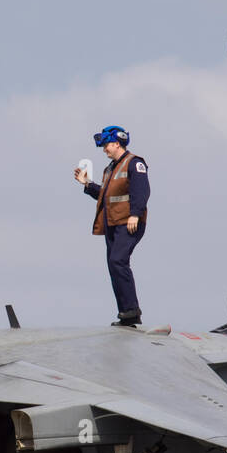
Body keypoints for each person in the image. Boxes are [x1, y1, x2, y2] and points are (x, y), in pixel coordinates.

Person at [74, 125, 149, 326]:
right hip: (113, 224)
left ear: (117, 143)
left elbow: (142, 191)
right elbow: (106, 196)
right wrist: (87, 184)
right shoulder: (110, 169)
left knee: (118, 260)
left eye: (107, 145)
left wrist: (135, 214)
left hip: (128, 223)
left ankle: (132, 310)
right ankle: (126, 313)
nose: (104, 149)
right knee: (113, 265)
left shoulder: (134, 163)